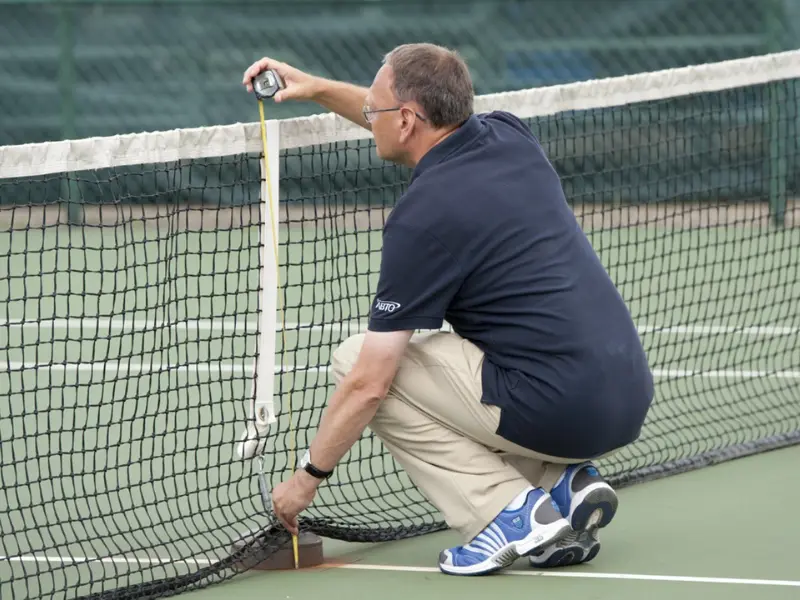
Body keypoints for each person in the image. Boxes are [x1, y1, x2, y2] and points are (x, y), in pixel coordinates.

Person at [242, 43, 654, 576]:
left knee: (357, 364)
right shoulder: (509, 134)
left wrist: (305, 482)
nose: (368, 115)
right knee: (469, 358)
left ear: (408, 119)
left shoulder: (423, 219)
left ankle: (505, 514)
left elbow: (369, 383)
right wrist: (317, 88)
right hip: (624, 394)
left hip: (558, 406)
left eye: (375, 108)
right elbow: (394, 114)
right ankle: (562, 484)